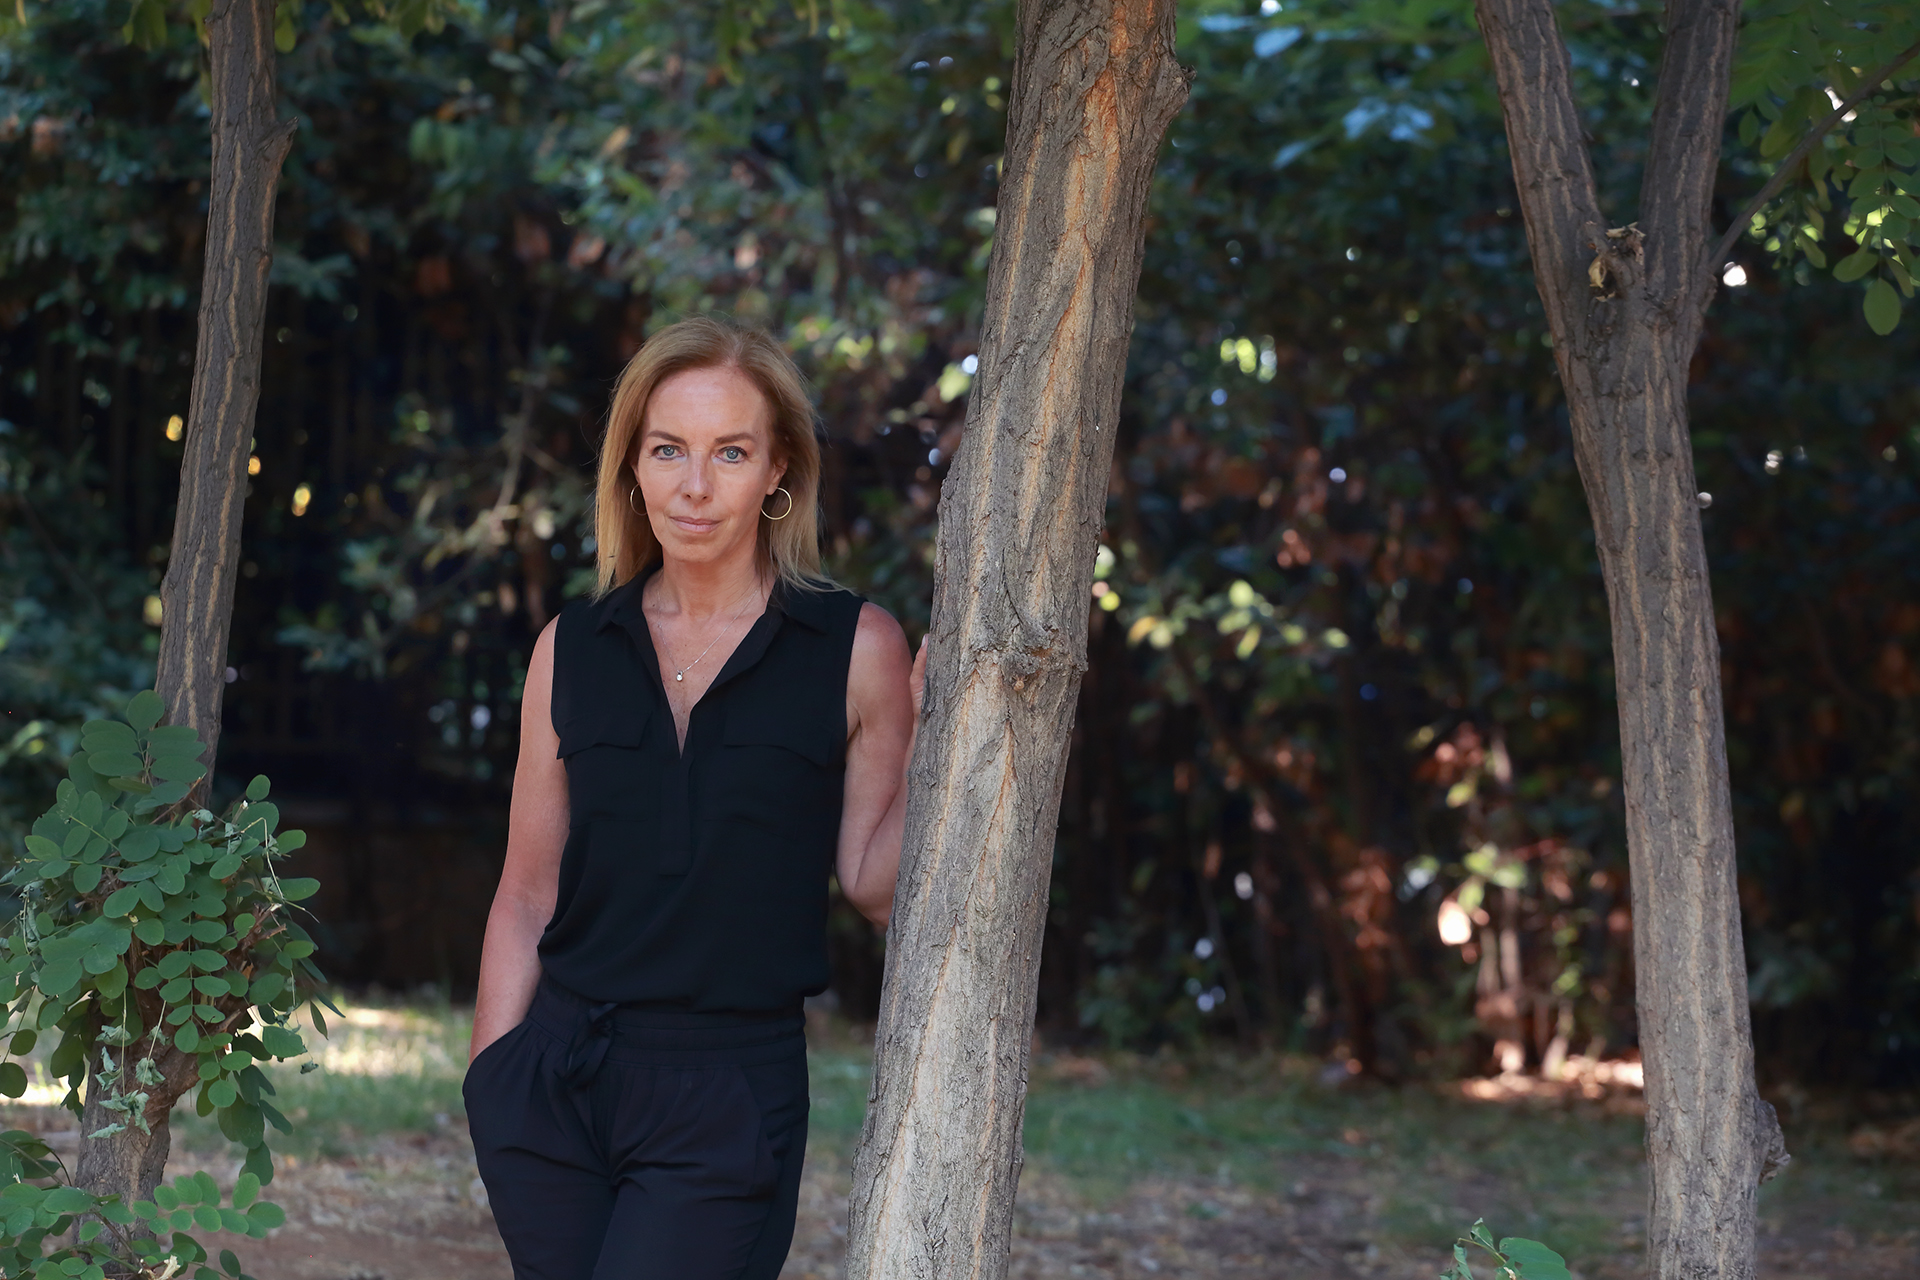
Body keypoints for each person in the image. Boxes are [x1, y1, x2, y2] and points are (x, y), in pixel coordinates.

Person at [463, 315, 921, 1280]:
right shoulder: (570, 649)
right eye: (668, 449)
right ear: (632, 466)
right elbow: (527, 892)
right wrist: (492, 1082)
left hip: (727, 1092)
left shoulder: (854, 648)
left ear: (778, 469)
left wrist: (945, 745)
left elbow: (877, 887)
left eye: (731, 452)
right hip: (553, 1083)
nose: (696, 486)